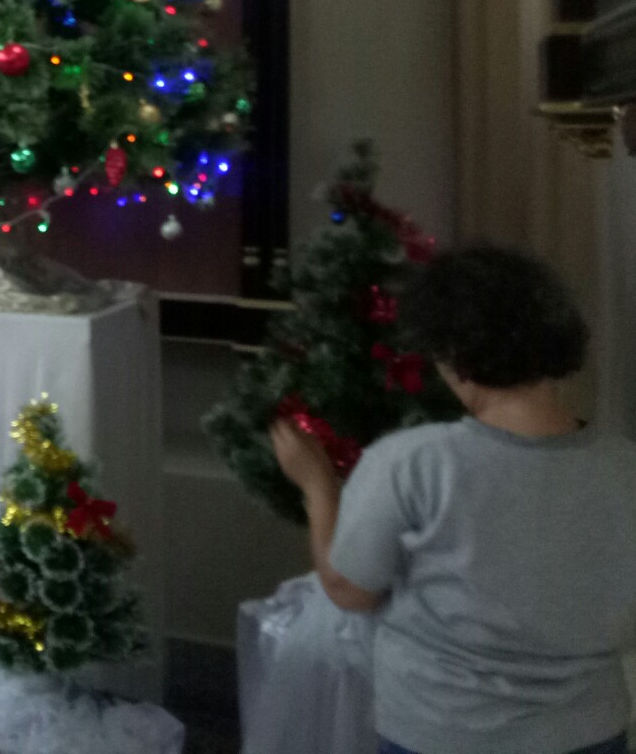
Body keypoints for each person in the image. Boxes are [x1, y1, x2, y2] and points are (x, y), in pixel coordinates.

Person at [271, 245, 636, 754]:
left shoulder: (415, 462)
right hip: (590, 733)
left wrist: (318, 487)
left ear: (456, 358)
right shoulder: (623, 465)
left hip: (441, 733)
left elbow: (350, 589)